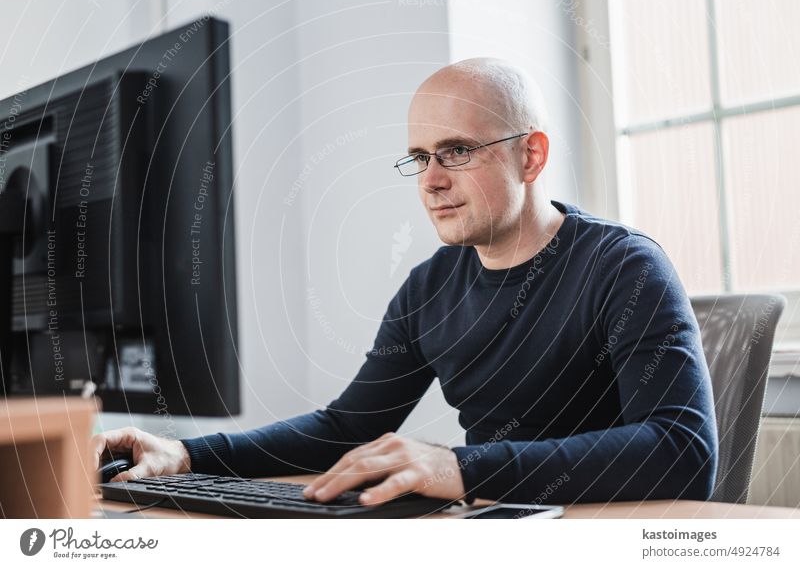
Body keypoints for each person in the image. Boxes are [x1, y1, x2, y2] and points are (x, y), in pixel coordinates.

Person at [92, 58, 718, 507]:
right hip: (501, 531)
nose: (430, 181)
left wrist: (458, 468)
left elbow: (682, 451)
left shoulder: (624, 267)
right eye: (420, 158)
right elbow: (346, 428)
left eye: (457, 151)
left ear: (530, 156)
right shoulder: (428, 289)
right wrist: (189, 454)